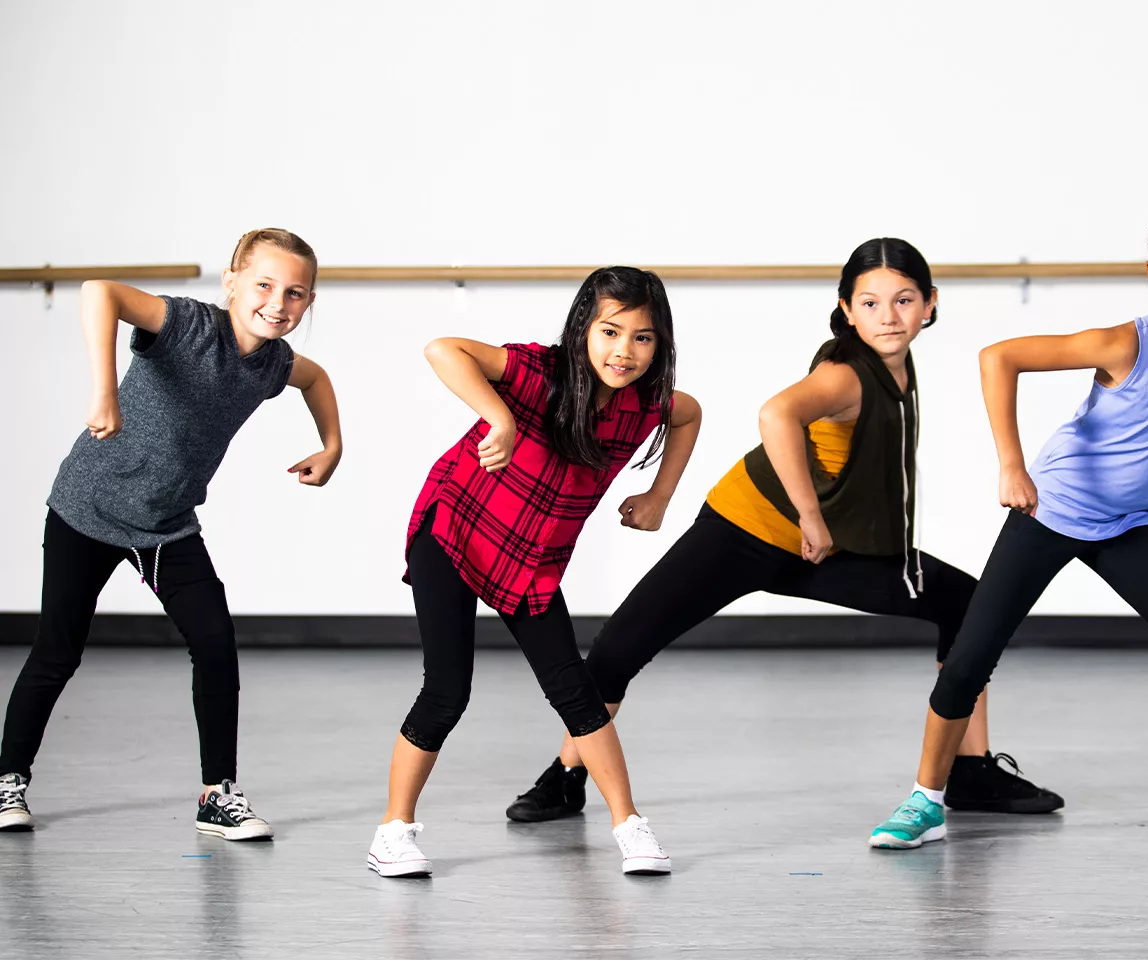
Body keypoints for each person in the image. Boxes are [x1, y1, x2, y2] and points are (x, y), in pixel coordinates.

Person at [505, 238, 1062, 827]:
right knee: (619, 649)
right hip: (744, 531)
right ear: (847, 309)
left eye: (903, 300)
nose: (888, 316)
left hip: (818, 549)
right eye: (870, 303)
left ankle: (969, 770)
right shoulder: (847, 373)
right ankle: (566, 776)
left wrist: (818, 527)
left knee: (965, 604)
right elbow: (777, 414)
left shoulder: (895, 364)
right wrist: (811, 515)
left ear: (929, 304)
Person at [869, 206, 1148, 863]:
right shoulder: (1124, 343)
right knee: (972, 656)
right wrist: (1011, 462)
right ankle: (925, 799)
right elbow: (999, 358)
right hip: (1051, 513)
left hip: (1130, 527)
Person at [0, 228, 342, 841]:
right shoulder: (186, 325)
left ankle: (218, 795)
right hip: (87, 509)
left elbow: (315, 379)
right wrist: (105, 389)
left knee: (215, 642)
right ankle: (8, 781)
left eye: (295, 293)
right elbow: (99, 291)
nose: (278, 303)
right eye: (264, 285)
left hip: (166, 525)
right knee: (58, 651)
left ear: (308, 303)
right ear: (231, 283)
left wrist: (332, 445)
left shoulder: (272, 364)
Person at [367, 266, 702, 878]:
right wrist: (499, 418)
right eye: (608, 331)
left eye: (642, 338)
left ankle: (630, 826)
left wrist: (660, 497)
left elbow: (688, 413)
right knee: (447, 690)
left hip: (531, 555)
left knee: (573, 687)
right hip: (456, 529)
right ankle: (393, 831)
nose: (623, 351)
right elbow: (444, 349)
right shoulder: (539, 373)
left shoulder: (642, 404)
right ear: (582, 330)